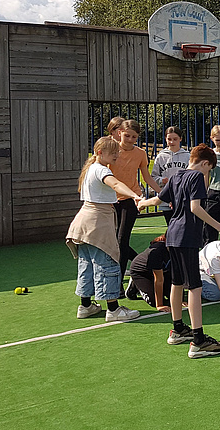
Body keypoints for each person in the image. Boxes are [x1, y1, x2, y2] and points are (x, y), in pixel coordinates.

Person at [138, 144, 220, 359]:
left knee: (177, 283)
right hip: (187, 237)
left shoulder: (175, 177)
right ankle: (198, 340)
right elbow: (195, 208)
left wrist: (143, 203)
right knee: (195, 287)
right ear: (205, 163)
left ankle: (178, 328)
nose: (208, 173)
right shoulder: (197, 177)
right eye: (209, 169)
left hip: (171, 235)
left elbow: (157, 200)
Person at [66, 136, 142, 322]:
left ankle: (85, 305)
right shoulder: (100, 169)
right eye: (113, 152)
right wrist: (135, 196)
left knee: (87, 265)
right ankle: (113, 309)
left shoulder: (90, 168)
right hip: (97, 222)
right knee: (108, 263)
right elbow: (115, 184)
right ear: (100, 153)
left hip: (83, 222)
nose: (117, 155)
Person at [109, 119, 162, 279]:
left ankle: (118, 281)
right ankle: (141, 263)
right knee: (115, 240)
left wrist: (164, 194)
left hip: (131, 199)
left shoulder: (140, 153)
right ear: (120, 133)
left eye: (134, 137)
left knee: (122, 238)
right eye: (127, 136)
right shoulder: (111, 150)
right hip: (110, 199)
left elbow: (148, 178)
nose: (131, 140)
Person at [151, 126, 189, 224]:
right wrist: (161, 180)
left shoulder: (187, 156)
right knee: (170, 225)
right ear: (165, 139)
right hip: (166, 197)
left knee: (183, 225)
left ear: (180, 139)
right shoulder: (161, 156)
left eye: (175, 139)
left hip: (183, 196)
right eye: (169, 139)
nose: (172, 142)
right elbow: (153, 177)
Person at [124, 234, 171, 312]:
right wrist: (159, 305)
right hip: (141, 272)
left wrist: (180, 299)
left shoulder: (183, 250)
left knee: (172, 297)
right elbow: (158, 280)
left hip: (163, 271)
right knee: (153, 301)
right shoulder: (156, 252)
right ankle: (134, 285)